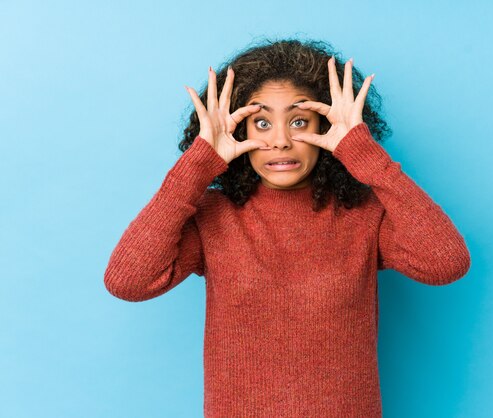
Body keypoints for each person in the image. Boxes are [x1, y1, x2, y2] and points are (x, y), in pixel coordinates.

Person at [104, 37, 471, 417]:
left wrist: (367, 159)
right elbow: (128, 282)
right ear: (239, 130)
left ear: (327, 127)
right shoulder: (214, 215)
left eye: (299, 121)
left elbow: (445, 264)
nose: (280, 141)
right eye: (261, 123)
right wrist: (195, 168)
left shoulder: (365, 213)